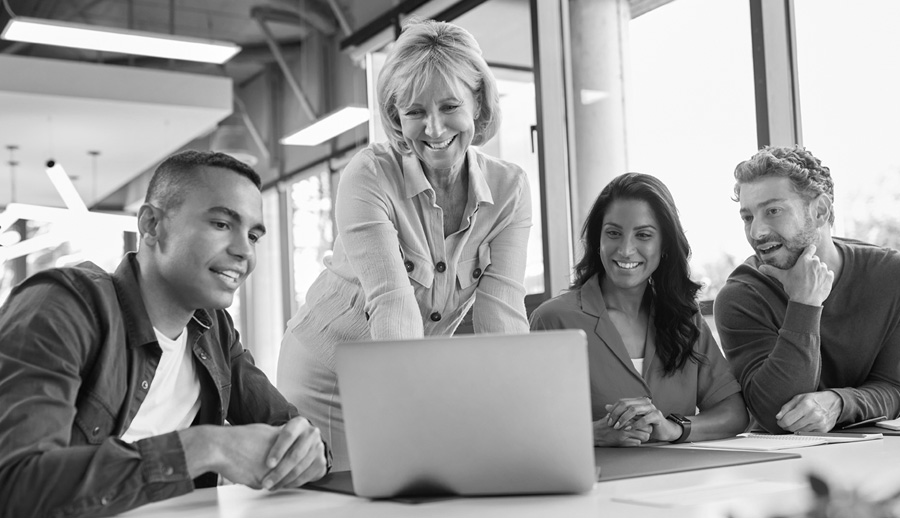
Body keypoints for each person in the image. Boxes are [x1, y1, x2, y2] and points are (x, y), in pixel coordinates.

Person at [0, 150, 329, 518]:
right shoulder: (62, 307)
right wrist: (205, 447)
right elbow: (15, 486)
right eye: (221, 224)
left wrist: (308, 450)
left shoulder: (213, 329)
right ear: (152, 225)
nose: (243, 252)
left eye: (253, 235)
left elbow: (286, 428)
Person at [277, 19, 532, 470]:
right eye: (414, 112)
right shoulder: (370, 175)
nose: (433, 129)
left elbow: (502, 312)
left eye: (450, 106)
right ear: (396, 118)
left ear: (479, 105)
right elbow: (392, 303)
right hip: (327, 373)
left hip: (408, 369)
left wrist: (521, 419)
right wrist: (409, 414)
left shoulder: (509, 189)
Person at [531, 173, 748, 447]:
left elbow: (734, 413)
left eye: (643, 235)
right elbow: (529, 428)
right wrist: (593, 434)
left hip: (679, 483)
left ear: (665, 245)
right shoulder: (554, 320)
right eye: (613, 233)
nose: (625, 249)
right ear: (597, 240)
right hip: (596, 484)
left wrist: (673, 428)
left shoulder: (685, 320)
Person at [714, 145, 900, 434]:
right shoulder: (741, 297)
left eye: (773, 211)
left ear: (820, 210)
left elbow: (895, 388)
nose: (757, 232)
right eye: (748, 217)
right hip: (775, 464)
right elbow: (775, 414)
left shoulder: (895, 276)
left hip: (870, 454)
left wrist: (839, 403)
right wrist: (805, 303)